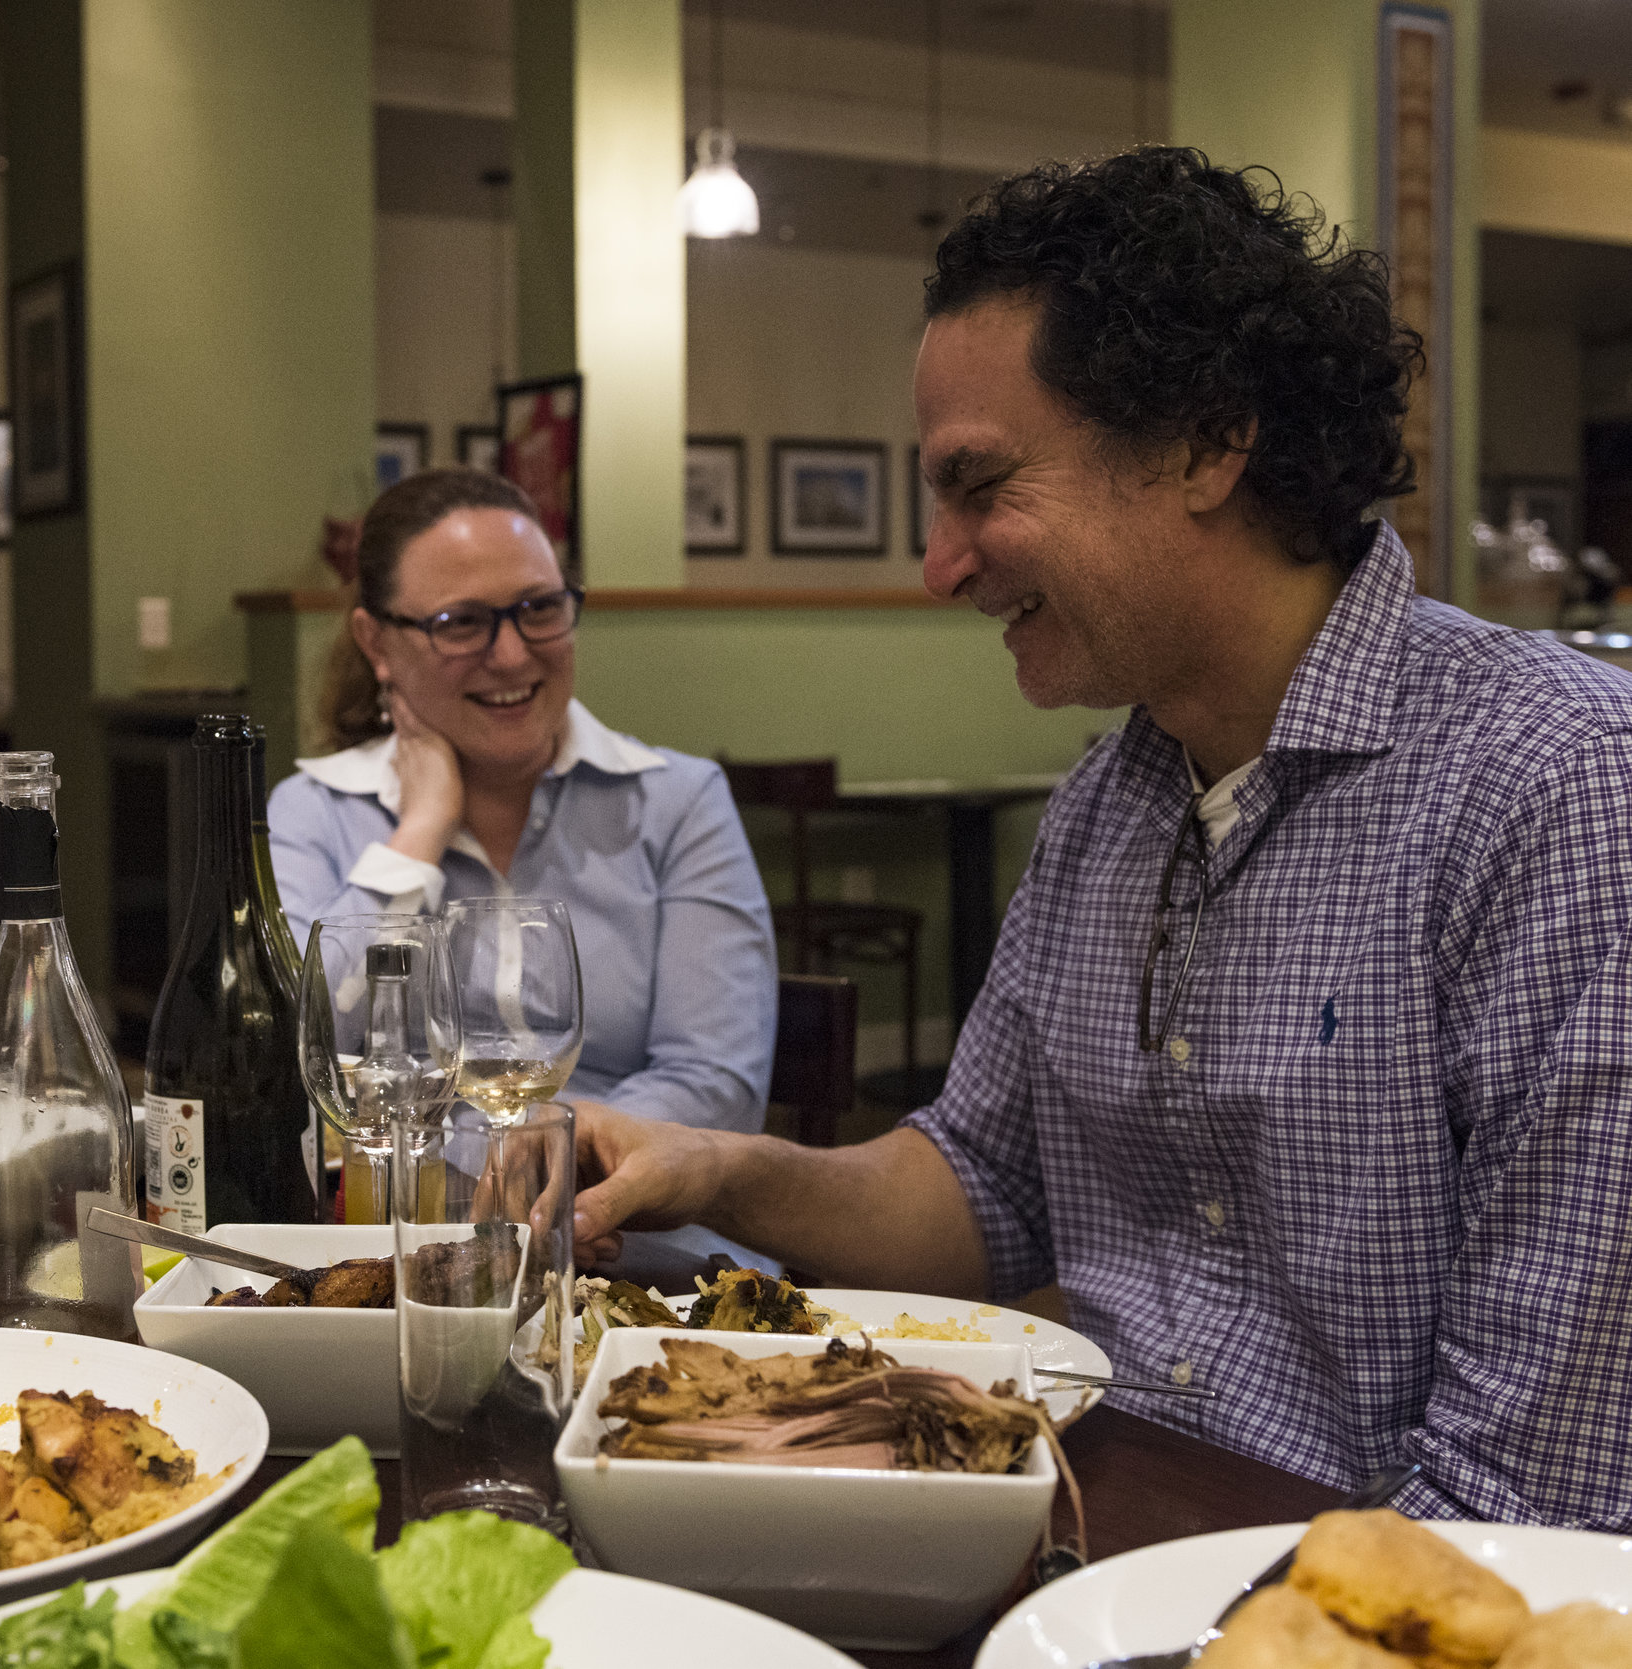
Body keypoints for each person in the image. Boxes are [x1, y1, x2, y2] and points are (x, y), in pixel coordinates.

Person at [573, 148, 1632, 1525]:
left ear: (1205, 442)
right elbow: (983, 1186)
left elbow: (1533, 1497)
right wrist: (719, 1169)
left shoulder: (1558, 787)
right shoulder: (1106, 807)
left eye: (982, 485)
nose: (941, 564)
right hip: (1093, 1540)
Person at [267, 467, 778, 1277]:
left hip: (647, 1256)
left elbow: (719, 1083)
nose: (510, 654)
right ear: (378, 643)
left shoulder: (679, 802)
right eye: (460, 622)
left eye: (538, 608)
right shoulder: (315, 812)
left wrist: (557, 1157)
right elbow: (299, 1051)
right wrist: (420, 832)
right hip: (402, 1272)